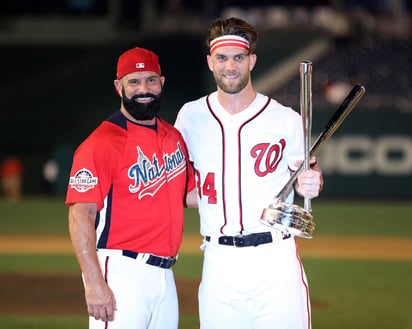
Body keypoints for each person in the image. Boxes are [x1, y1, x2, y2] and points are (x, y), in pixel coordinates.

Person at [175, 17, 323, 329]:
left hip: (275, 257)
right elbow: (179, 184)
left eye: (239, 57)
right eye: (222, 58)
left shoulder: (285, 119)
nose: (230, 66)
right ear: (210, 62)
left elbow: (307, 173)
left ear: (252, 60)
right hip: (219, 259)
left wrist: (313, 181)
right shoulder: (190, 117)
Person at [66, 46, 196, 329]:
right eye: (133, 82)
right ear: (118, 87)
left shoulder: (173, 136)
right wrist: (94, 282)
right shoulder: (102, 142)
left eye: (150, 80)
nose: (143, 89)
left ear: (162, 83)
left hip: (165, 275)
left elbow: (191, 195)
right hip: (121, 273)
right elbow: (80, 214)